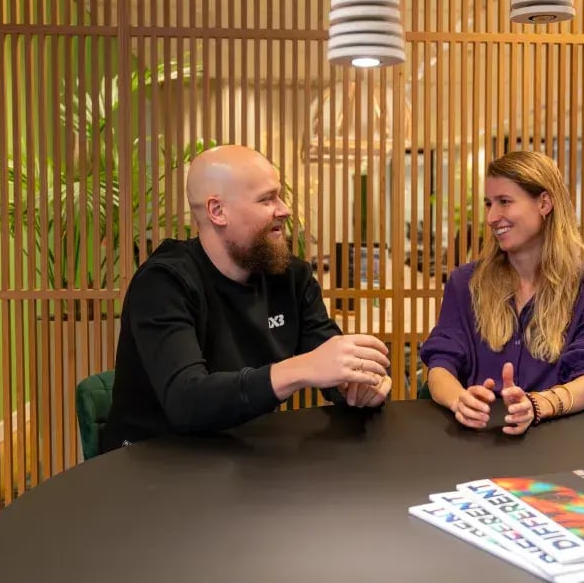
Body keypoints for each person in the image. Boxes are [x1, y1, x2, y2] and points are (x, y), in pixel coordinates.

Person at [102, 145, 392, 452]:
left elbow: (327, 354)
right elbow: (186, 401)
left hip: (243, 458)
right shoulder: (164, 283)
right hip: (151, 465)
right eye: (267, 199)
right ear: (217, 211)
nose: (284, 209)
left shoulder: (290, 276)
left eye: (279, 196)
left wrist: (356, 385)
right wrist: (302, 369)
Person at [419, 151, 584, 435]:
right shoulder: (465, 283)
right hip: (481, 443)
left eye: (504, 202)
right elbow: (440, 365)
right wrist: (459, 400)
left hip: (562, 445)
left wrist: (538, 405)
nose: (491, 217)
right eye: (489, 204)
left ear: (544, 203)